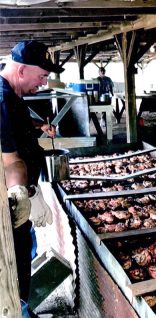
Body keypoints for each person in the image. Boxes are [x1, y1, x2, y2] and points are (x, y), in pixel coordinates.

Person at [1, 40, 61, 317]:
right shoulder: (0, 99)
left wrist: (40, 126)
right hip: (9, 208)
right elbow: (11, 161)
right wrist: (25, 194)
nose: (43, 83)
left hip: (20, 200)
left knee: (24, 260)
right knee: (11, 270)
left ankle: (23, 306)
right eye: (42, 77)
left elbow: (19, 129)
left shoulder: (13, 96)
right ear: (23, 70)